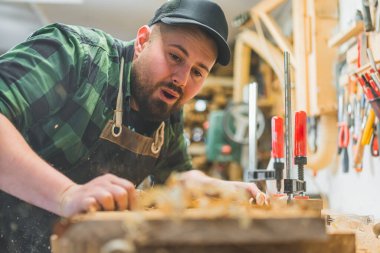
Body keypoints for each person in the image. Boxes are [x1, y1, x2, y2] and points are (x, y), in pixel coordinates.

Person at [0, 0, 266, 252]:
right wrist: (67, 195)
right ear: (142, 41)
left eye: (198, 72)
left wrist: (217, 189)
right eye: (175, 56)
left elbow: (176, 176)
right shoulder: (75, 54)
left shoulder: (167, 107)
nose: (182, 79)